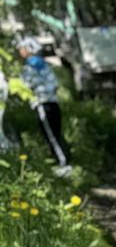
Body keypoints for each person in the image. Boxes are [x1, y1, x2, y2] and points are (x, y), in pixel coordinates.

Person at [16, 37, 71, 176]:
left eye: (22, 48)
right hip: (53, 103)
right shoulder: (44, 65)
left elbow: (25, 86)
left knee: (51, 136)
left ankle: (63, 164)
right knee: (56, 134)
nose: (20, 51)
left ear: (29, 49)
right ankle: (64, 161)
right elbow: (55, 84)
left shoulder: (29, 67)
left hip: (42, 105)